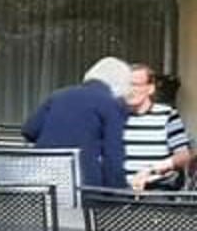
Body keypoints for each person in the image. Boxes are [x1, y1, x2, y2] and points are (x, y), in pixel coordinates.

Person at [22, 56, 131, 190]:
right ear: (120, 85)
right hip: (82, 185)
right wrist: (119, 192)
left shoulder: (58, 95)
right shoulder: (110, 105)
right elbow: (113, 156)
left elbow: (29, 130)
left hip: (40, 180)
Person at [123, 63, 191, 191]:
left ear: (150, 88)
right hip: (117, 193)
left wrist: (151, 170)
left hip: (156, 192)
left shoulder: (167, 115)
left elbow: (184, 156)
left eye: (135, 85)